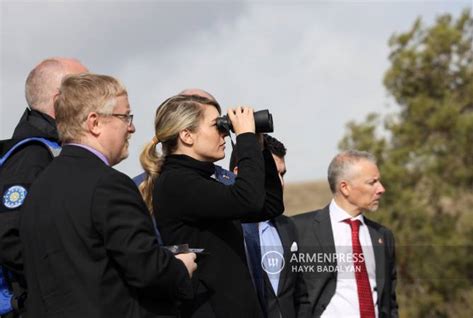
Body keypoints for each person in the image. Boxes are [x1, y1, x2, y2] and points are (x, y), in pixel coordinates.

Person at [19, 73, 196, 318]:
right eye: (125, 116)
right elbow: (147, 269)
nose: (131, 127)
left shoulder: (39, 188)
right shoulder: (108, 185)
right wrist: (179, 268)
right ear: (94, 123)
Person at [139, 94, 284, 318]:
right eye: (217, 126)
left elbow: (269, 206)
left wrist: (259, 145)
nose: (225, 132)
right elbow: (248, 200)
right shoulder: (176, 182)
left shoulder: (200, 179)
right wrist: (244, 138)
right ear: (187, 135)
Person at [0, 57, 88, 317]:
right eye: (87, 87)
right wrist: (69, 278)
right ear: (60, 98)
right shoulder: (32, 156)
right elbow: (8, 236)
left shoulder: (56, 151)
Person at [292, 150, 398, 317]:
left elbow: (389, 302)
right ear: (345, 188)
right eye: (372, 182)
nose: (381, 189)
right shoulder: (298, 229)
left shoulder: (382, 236)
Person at [230, 134, 311, 318]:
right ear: (239, 172)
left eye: (283, 174)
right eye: (273, 174)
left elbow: (300, 295)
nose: (280, 183)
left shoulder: (288, 226)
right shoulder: (227, 229)